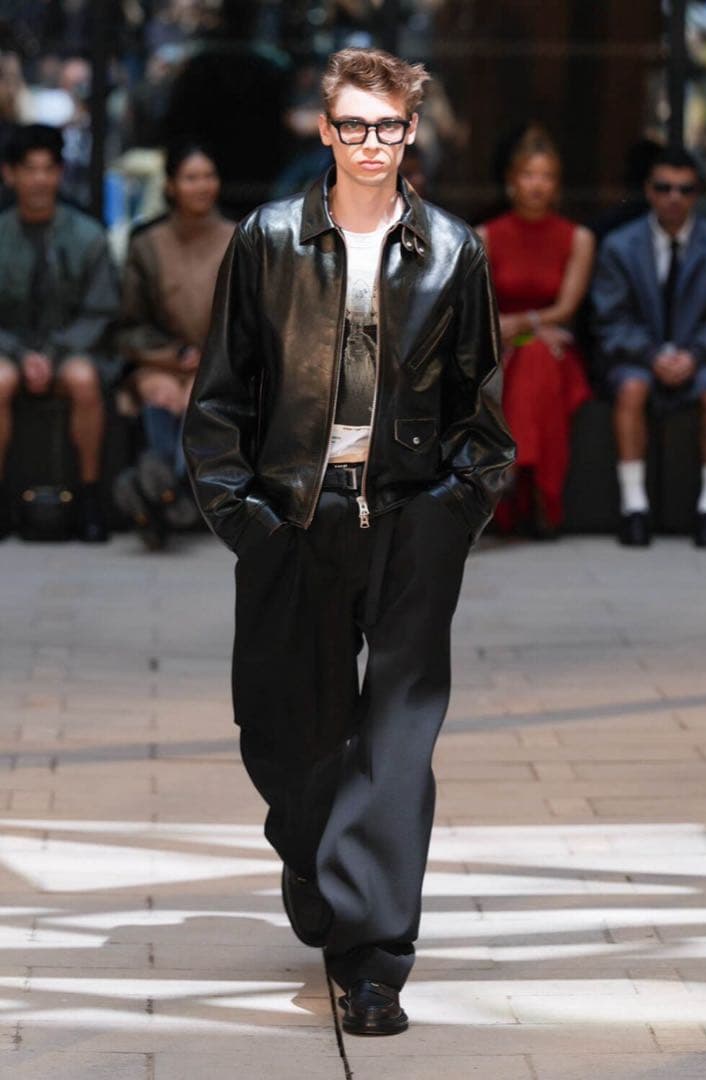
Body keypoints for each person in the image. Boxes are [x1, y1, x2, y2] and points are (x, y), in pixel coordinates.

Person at [183, 48, 514, 1035]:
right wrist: (244, 519)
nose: (373, 143)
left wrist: (455, 510)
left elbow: (480, 409)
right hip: (295, 517)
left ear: (411, 133)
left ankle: (374, 961)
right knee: (285, 733)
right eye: (355, 125)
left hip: (411, 517)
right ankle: (312, 851)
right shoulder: (268, 240)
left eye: (389, 126)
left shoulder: (453, 251)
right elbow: (220, 396)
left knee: (396, 747)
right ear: (326, 131)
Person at [592, 146, 706, 547]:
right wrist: (652, 355)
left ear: (697, 194)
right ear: (648, 190)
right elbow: (610, 318)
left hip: (702, 357)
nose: (674, 197)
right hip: (638, 357)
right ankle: (634, 507)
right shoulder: (620, 245)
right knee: (631, 389)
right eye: (664, 187)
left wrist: (694, 355)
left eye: (685, 189)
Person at [0, 123, 118, 541]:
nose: (39, 179)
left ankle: (89, 497)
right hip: (8, 350)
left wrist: (51, 354)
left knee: (84, 380)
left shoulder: (87, 235)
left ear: (60, 173)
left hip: (71, 350)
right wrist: (20, 354)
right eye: (29, 169)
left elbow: (100, 310)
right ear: (10, 174)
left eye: (48, 169)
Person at [477, 127, 595, 537]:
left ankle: (510, 473)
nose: (537, 185)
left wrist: (524, 324)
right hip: (500, 348)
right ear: (512, 180)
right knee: (532, 359)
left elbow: (565, 309)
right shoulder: (486, 236)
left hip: (550, 350)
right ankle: (543, 498)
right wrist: (515, 330)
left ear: (557, 185)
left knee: (539, 357)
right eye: (529, 174)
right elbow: (480, 309)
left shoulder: (577, 238)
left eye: (546, 176)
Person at [115, 142, 234, 547]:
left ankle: (155, 493)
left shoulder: (239, 238)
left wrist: (208, 359)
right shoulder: (147, 243)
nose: (202, 186)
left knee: (198, 397)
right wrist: (173, 356)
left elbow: (250, 319)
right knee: (161, 391)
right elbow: (129, 324)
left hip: (220, 363)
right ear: (170, 186)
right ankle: (172, 495)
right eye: (191, 178)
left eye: (209, 176)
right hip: (162, 362)